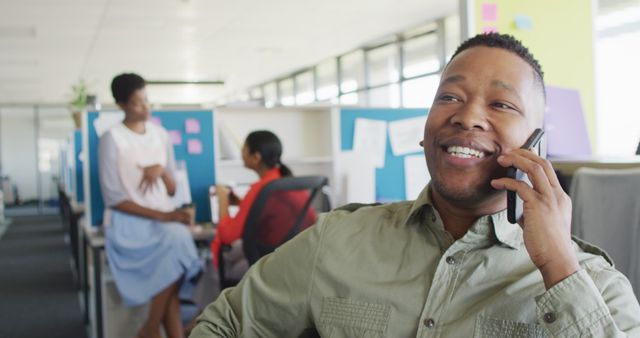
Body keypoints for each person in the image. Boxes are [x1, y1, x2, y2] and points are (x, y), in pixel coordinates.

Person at [190, 34, 640, 337]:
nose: (466, 116)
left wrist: (558, 266)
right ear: (425, 130)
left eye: (501, 103)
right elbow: (222, 324)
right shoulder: (337, 241)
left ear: (536, 144)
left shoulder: (595, 286)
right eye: (449, 97)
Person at [99, 73, 202, 338]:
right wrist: (166, 216)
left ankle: (150, 328)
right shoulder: (112, 139)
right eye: (136, 103)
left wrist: (162, 171)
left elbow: (172, 189)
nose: (145, 107)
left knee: (176, 248)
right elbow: (114, 198)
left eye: (146, 100)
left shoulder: (160, 134)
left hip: (163, 220)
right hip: (131, 223)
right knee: (178, 246)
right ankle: (152, 329)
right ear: (121, 104)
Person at [211, 130, 316, 280]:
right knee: (236, 253)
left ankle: (214, 303)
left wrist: (222, 200)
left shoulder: (262, 187)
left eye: (244, 149)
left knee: (224, 264)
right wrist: (239, 202)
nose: (241, 153)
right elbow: (267, 211)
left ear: (256, 157)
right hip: (296, 256)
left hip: (272, 263)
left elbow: (227, 236)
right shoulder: (284, 180)